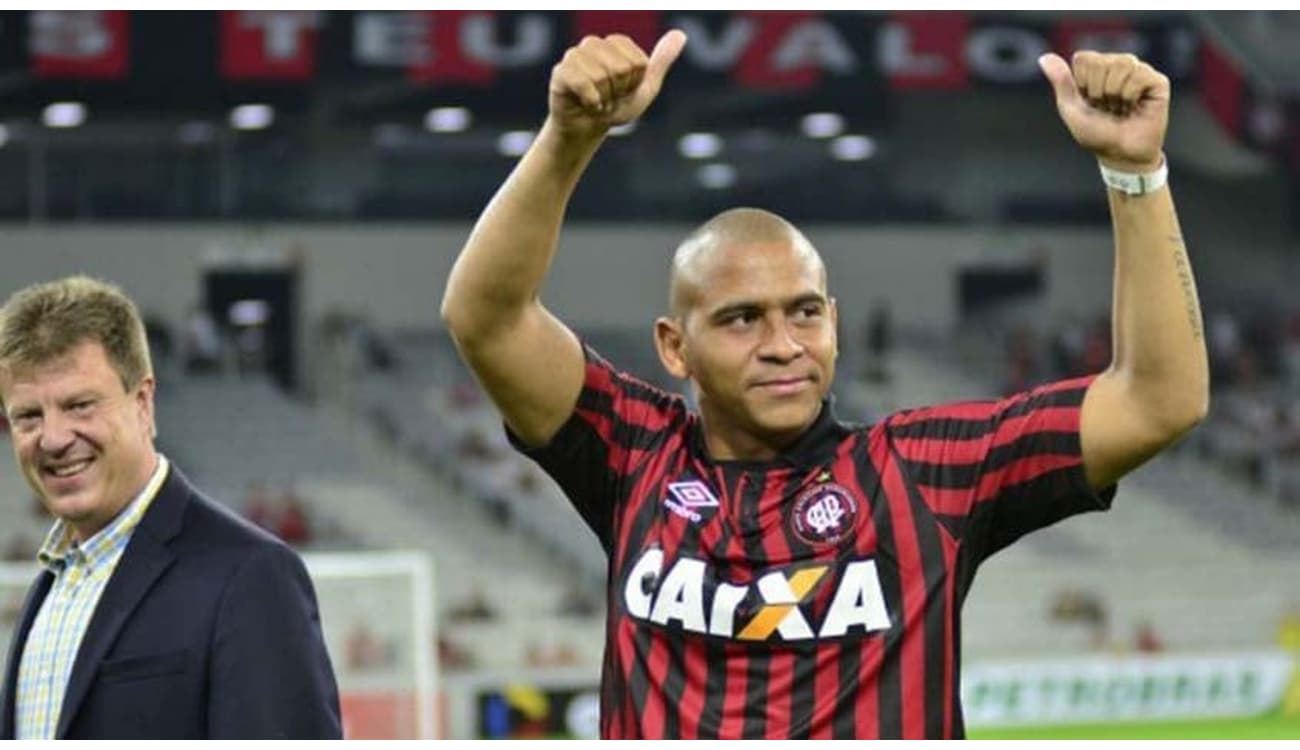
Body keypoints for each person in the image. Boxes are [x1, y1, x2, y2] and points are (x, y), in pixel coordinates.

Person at [440, 30, 1208, 739]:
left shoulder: (923, 471)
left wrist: (1135, 171)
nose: (784, 345)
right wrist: (569, 139)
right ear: (676, 348)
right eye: (742, 319)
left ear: (835, 324)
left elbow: (1158, 400)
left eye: (804, 312)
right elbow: (485, 317)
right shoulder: (635, 455)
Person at [0, 276, 341, 739]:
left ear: (143, 404)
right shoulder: (49, 590)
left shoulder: (250, 576)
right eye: (28, 417)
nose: (54, 438)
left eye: (79, 405)